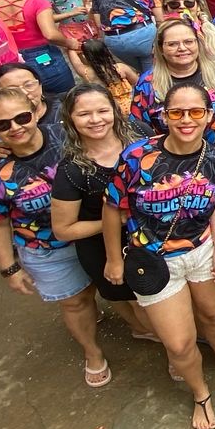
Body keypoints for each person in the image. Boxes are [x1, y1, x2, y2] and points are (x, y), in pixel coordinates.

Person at [104, 80, 215, 429]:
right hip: (153, 259)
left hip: (202, 251)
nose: (187, 119)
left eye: (196, 111)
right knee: (180, 343)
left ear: (209, 116)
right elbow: (112, 207)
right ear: (164, 116)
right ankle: (200, 393)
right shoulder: (137, 156)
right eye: (177, 112)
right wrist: (113, 258)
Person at [0, 86, 109, 386]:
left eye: (21, 117)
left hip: (95, 233)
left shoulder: (68, 138)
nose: (15, 127)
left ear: (36, 111)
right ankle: (92, 352)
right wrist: (9, 268)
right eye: (2, 124)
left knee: (105, 289)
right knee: (75, 301)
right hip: (47, 249)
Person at [49, 82, 153, 342]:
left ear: (115, 110)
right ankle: (158, 339)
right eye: (84, 114)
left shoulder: (140, 133)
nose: (95, 120)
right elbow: (63, 230)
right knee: (138, 303)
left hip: (152, 236)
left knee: (158, 297)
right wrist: (113, 222)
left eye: (102, 111)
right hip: (103, 250)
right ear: (70, 119)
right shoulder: (72, 170)